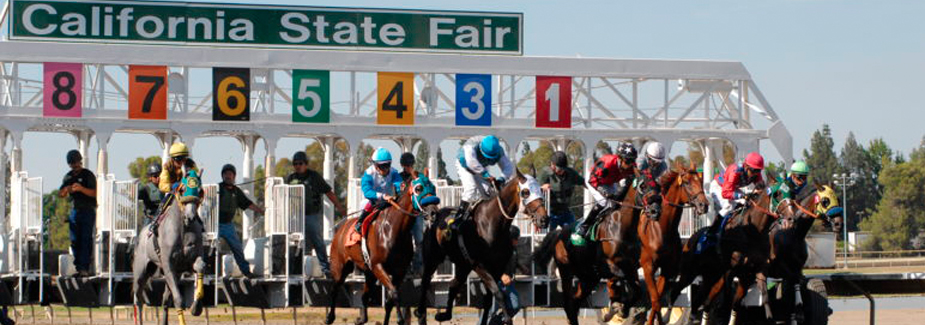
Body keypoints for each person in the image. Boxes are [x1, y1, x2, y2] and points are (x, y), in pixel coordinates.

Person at [286, 151, 346, 278]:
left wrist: (339, 206)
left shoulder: (314, 177)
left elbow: (328, 192)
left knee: (318, 241)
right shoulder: (291, 178)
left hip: (312, 215)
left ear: (306, 164)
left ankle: (325, 269)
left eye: (300, 163)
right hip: (296, 216)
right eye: (295, 164)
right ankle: (294, 270)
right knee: (295, 243)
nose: (298, 166)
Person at [571, 143, 637, 246]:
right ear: (620, 158)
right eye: (628, 161)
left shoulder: (631, 167)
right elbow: (592, 180)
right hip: (594, 180)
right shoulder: (608, 162)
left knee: (615, 204)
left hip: (610, 181)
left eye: (632, 161)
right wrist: (604, 192)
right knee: (604, 202)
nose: (630, 164)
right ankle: (584, 227)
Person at [699, 152, 765, 253]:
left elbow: (762, 189)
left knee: (748, 203)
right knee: (728, 206)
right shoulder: (735, 170)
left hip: (733, 188)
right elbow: (726, 193)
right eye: (754, 170)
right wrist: (741, 195)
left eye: (758, 171)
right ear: (746, 166)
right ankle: (712, 231)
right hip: (719, 187)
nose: (756, 173)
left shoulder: (755, 172)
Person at [450, 135, 515, 229]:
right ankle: (458, 218)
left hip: (479, 168)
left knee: (489, 192)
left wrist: (501, 179)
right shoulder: (471, 146)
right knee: (471, 188)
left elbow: (508, 167)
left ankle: (480, 217)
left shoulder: (499, 150)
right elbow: (471, 163)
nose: (489, 159)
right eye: (487, 156)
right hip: (465, 165)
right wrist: (486, 175)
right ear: (480, 148)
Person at [218, 164, 264, 278]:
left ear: (234, 176)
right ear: (222, 176)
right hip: (216, 224)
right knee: (209, 247)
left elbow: (247, 203)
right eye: (225, 174)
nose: (227, 176)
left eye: (230, 174)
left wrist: (260, 210)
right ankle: (205, 271)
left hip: (228, 225)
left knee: (237, 248)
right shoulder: (218, 188)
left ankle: (246, 272)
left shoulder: (237, 191)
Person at [58, 150, 97, 277]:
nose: (75, 165)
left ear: (80, 161)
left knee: (85, 239)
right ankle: (77, 267)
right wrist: (66, 190)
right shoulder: (68, 177)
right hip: (75, 211)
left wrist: (81, 189)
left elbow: (94, 193)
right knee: (74, 240)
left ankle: (84, 268)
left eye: (76, 162)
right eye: (72, 163)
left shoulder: (88, 175)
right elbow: (61, 194)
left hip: (88, 210)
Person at [478, 225, 526, 325]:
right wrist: (502, 275)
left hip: (509, 285)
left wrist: (521, 267)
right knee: (491, 311)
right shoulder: (497, 249)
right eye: (516, 238)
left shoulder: (512, 249)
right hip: (496, 284)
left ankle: (496, 322)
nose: (517, 241)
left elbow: (512, 260)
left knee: (515, 306)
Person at [355, 147, 403, 234]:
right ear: (375, 165)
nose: (385, 169)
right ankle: (360, 223)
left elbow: (398, 183)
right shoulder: (368, 174)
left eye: (387, 165)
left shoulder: (394, 172)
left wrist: (400, 189)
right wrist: (383, 196)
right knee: (366, 203)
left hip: (389, 200)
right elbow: (367, 192)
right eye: (382, 166)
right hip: (372, 200)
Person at [538, 151, 584, 231]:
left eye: (563, 169)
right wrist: (542, 188)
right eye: (559, 169)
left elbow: (584, 183)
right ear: (552, 165)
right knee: (547, 236)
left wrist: (598, 192)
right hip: (550, 214)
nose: (562, 172)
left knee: (575, 232)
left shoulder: (570, 173)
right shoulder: (545, 173)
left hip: (566, 212)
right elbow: (534, 192)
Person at [398, 151, 425, 274]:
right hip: (403, 214)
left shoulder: (418, 176)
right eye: (406, 165)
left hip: (416, 213)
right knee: (404, 240)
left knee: (419, 239)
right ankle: (405, 266)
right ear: (402, 165)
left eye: (410, 165)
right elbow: (398, 193)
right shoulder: (398, 177)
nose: (408, 167)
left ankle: (418, 266)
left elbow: (423, 191)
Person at [635, 142, 668, 219]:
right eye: (654, 161)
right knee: (623, 183)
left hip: (652, 181)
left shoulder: (663, 165)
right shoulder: (641, 162)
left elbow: (661, 182)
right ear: (647, 156)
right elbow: (639, 176)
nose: (656, 164)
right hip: (638, 178)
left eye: (658, 162)